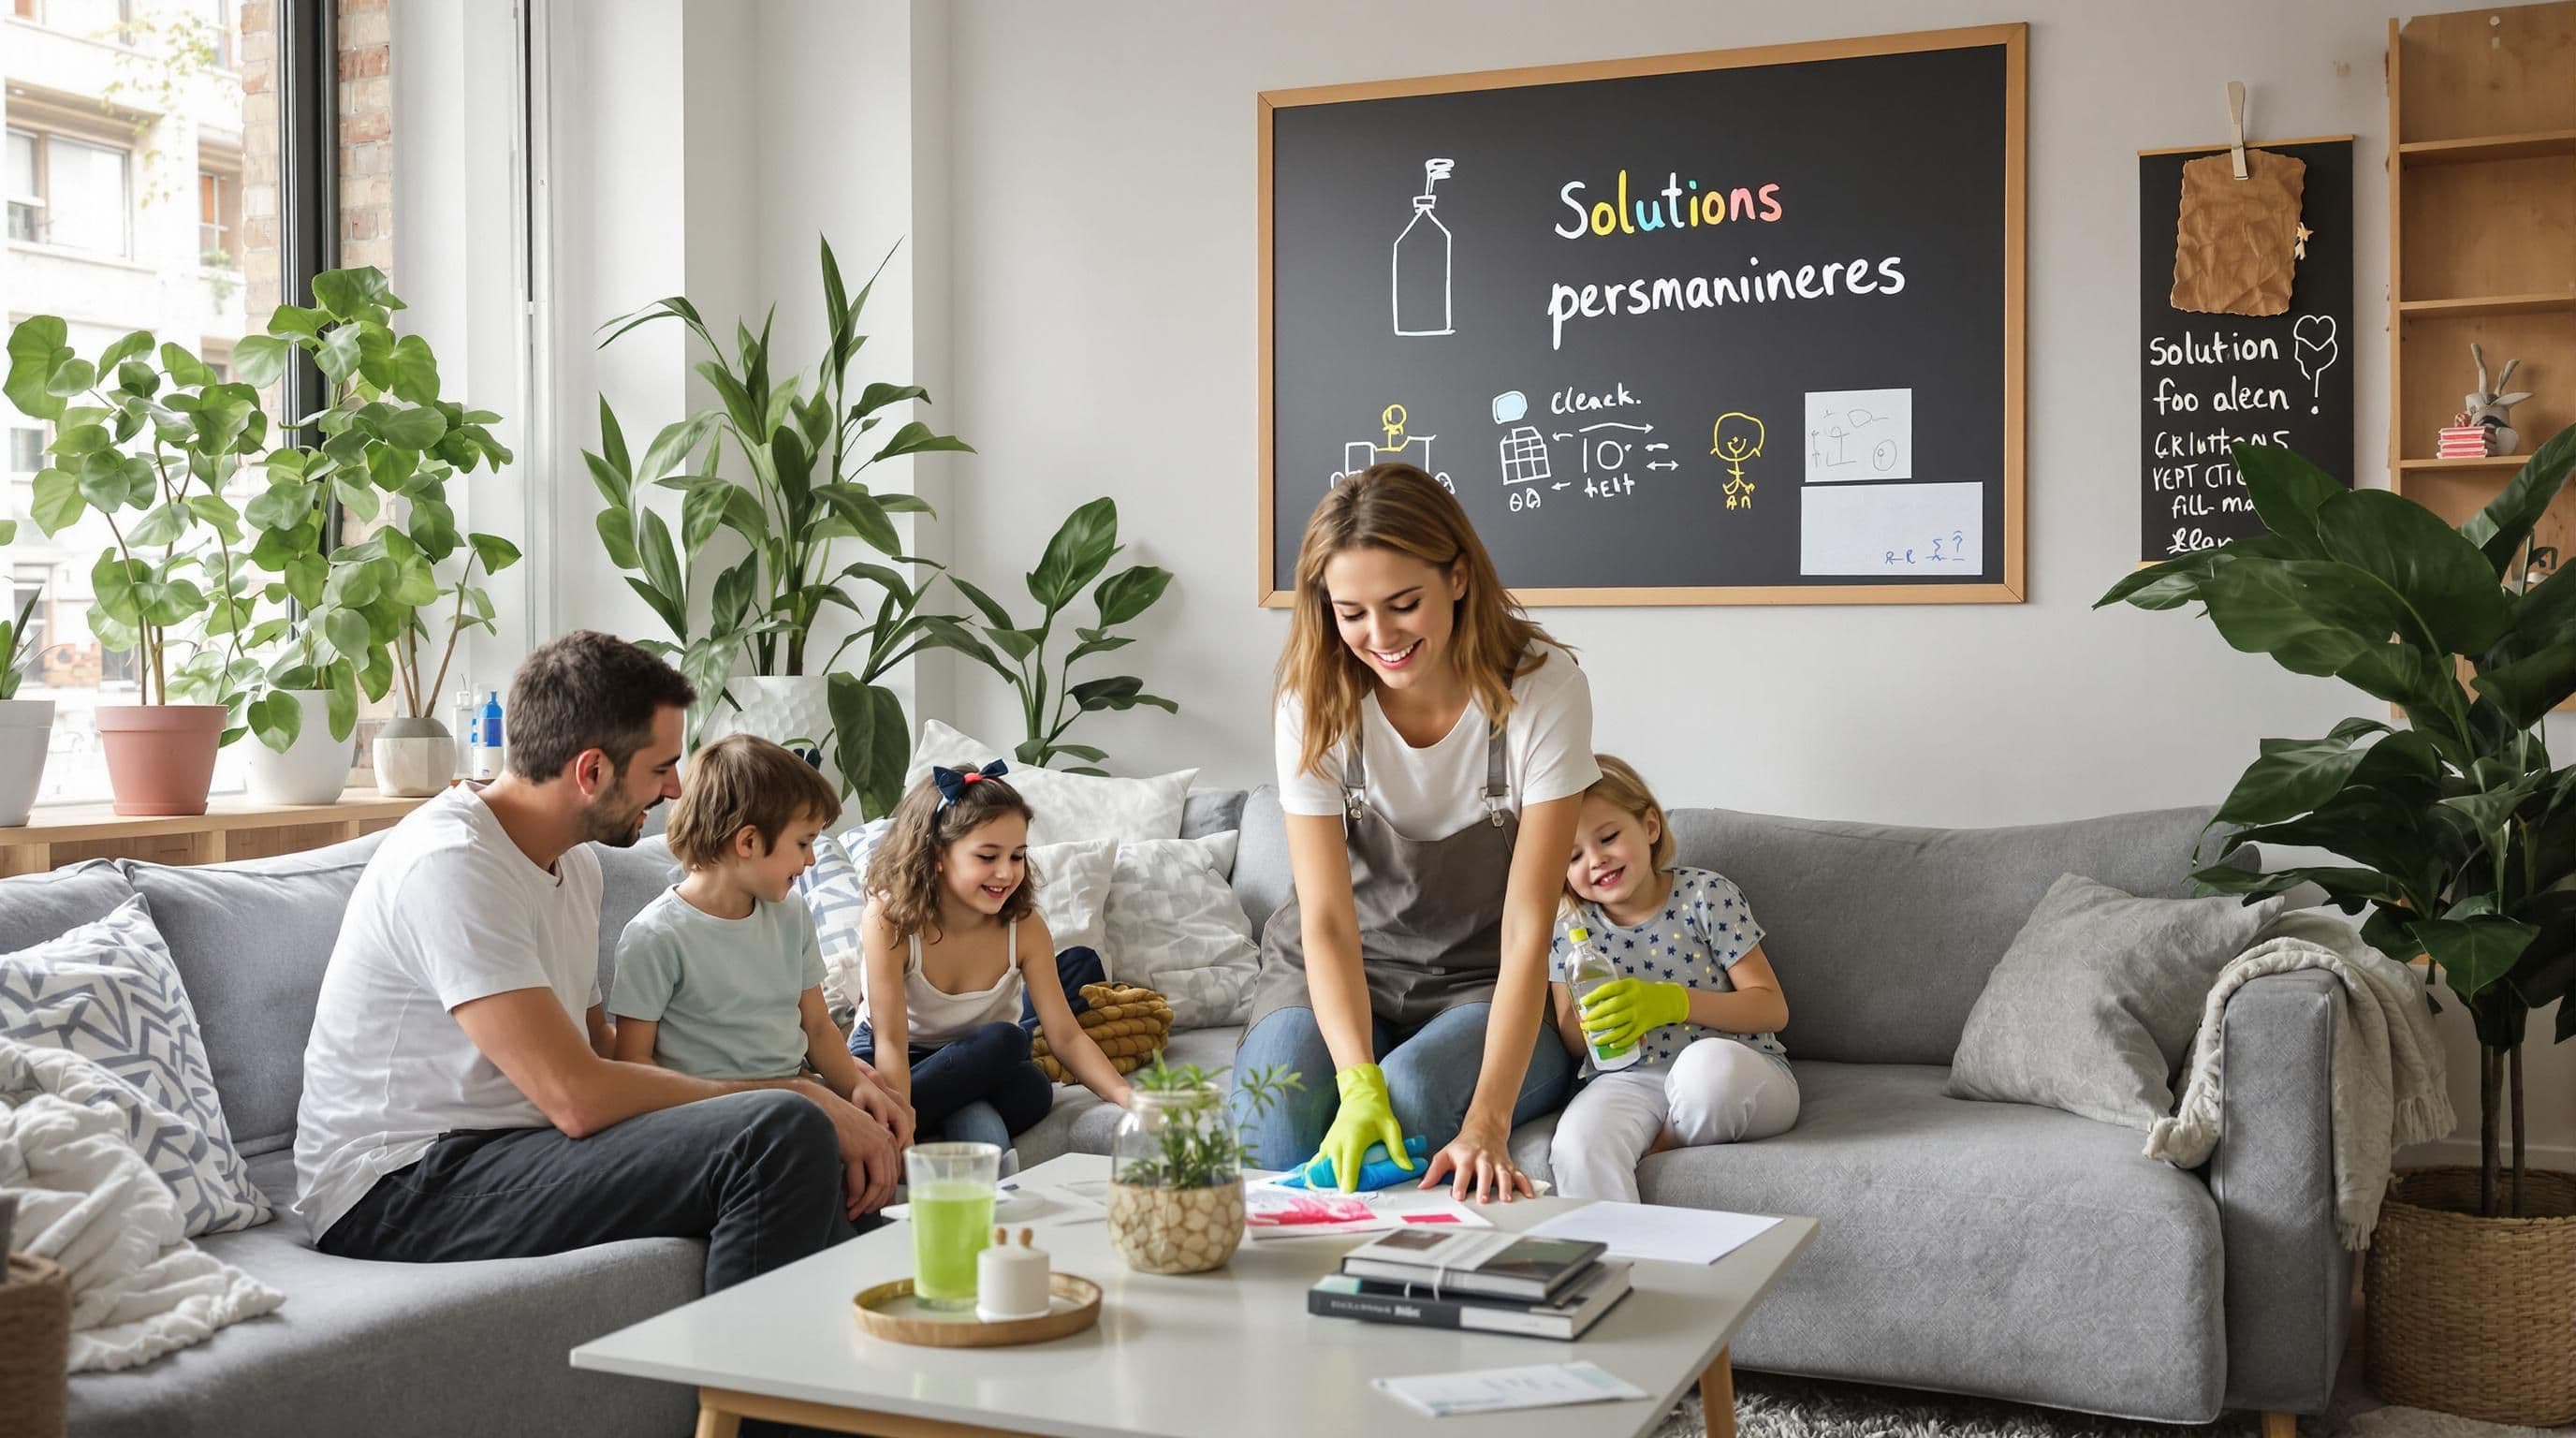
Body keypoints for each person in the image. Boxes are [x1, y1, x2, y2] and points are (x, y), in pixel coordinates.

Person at [295, 631, 904, 1292]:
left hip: (519, 1145)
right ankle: (750, 1394)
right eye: (660, 767)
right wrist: (794, 1092)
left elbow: (604, 1057)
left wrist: (803, 1087)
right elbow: (578, 1097)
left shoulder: (576, 866)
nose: (675, 788)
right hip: (398, 1185)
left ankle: (865, 1360)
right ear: (591, 772)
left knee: (809, 1153)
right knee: (777, 1131)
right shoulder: (455, 865)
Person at [1237, 462, 1591, 1199]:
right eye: (1352, 612)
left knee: (1417, 1099)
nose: (1380, 636)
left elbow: (1531, 925)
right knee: (1277, 1131)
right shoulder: (1315, 697)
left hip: (1482, 985)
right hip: (1335, 971)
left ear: (1458, 578)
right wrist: (1355, 1078)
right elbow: (1327, 921)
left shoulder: (1542, 686)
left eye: (1403, 604)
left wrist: (1489, 1123)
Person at [608, 734, 914, 1144]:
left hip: (798, 1098)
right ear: (748, 842)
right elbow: (634, 1066)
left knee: (885, 1132)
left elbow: (820, 1028)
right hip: (710, 1121)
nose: (810, 859)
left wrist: (854, 1089)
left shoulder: (791, 914)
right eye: (803, 843)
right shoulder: (654, 937)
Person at [1547, 755, 1797, 1203]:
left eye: (1608, 837)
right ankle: (1620, 1271)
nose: (1597, 860)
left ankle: (1662, 1147)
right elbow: (1570, 1038)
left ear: (1649, 827)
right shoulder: (1567, 927)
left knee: (1707, 1073)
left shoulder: (1705, 895)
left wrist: (1672, 1001)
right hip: (1629, 1076)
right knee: (1579, 1144)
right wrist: (1597, 1021)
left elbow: (1771, 1008)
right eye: (1573, 856)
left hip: (1736, 1069)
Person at [851, 762, 1134, 1154]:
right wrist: (899, 1136)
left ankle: (949, 1106)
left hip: (981, 1056)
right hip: (893, 1056)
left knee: (1030, 1085)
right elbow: (891, 1046)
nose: (1006, 872)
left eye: (1017, 856)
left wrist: (1128, 1098)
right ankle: (938, 1117)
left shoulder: (1025, 927)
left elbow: (1065, 1036)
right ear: (936, 855)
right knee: (1005, 1043)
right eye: (987, 856)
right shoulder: (889, 920)